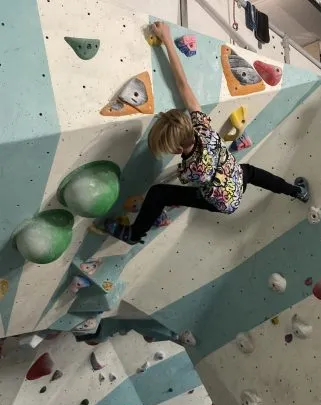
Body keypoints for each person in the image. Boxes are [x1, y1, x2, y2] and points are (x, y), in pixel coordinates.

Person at [104, 21, 310, 245]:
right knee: (251, 172)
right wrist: (167, 40)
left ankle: (134, 235)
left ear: (176, 149)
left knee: (158, 193)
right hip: (235, 179)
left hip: (220, 202)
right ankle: (296, 192)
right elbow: (184, 85)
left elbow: (186, 176)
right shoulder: (203, 129)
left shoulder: (192, 170)